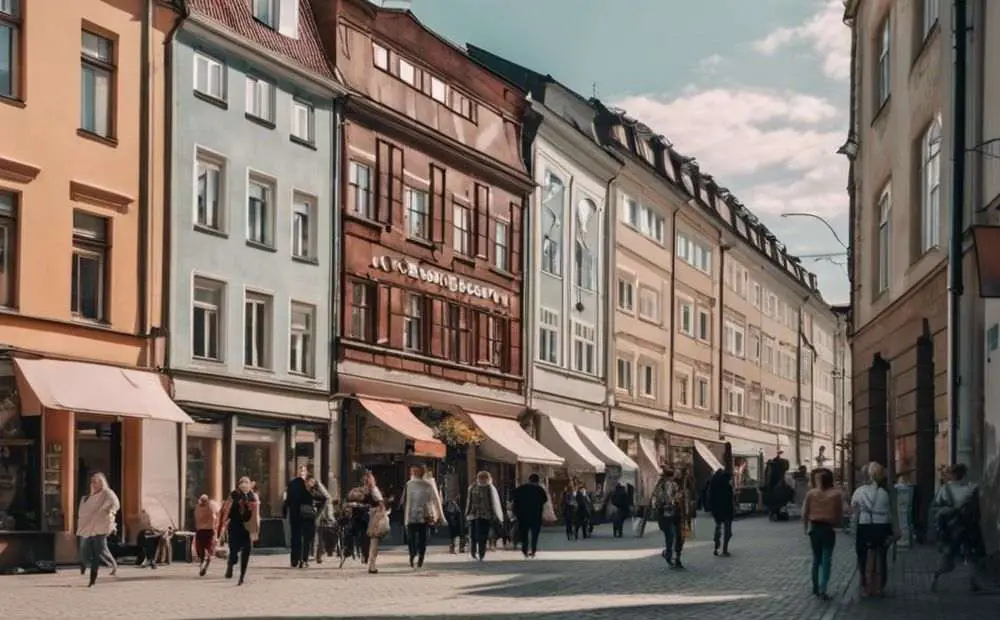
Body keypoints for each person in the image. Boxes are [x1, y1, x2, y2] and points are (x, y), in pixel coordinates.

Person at [931, 463, 984, 592]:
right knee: (972, 556)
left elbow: (935, 509)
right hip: (968, 527)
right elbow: (976, 511)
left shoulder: (945, 489)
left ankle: (937, 576)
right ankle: (973, 581)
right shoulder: (971, 488)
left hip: (951, 529)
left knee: (950, 560)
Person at [850, 461, 893, 597]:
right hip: (882, 525)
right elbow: (891, 511)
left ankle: (865, 585)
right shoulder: (885, 492)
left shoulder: (859, 492)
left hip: (865, 525)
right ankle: (880, 586)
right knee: (881, 556)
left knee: (863, 556)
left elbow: (854, 510)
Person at [803, 468, 843, 600]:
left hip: (814, 528)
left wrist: (805, 528)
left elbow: (805, 512)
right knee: (826, 559)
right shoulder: (836, 495)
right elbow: (839, 513)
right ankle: (823, 587)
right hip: (828, 529)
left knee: (816, 559)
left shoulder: (811, 494)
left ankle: (815, 586)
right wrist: (838, 524)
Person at [76, 472, 120, 587]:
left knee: (98, 553)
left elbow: (115, 504)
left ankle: (92, 579)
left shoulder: (108, 493)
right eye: (92, 482)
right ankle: (84, 565)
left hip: (101, 528)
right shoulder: (89, 497)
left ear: (101, 482)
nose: (93, 484)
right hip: (88, 528)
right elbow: (84, 512)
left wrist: (111, 512)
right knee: (84, 550)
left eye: (95, 481)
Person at [218, 476, 260, 586]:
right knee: (234, 551)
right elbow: (226, 509)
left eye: (246, 483)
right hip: (235, 526)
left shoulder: (253, 496)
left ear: (250, 485)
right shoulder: (234, 495)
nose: (244, 485)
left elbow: (256, 515)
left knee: (247, 551)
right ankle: (230, 565)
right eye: (242, 483)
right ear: (239, 485)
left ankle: (242, 576)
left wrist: (255, 530)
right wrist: (223, 523)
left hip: (247, 528)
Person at [402, 465, 444, 568]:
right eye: (413, 471)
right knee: (411, 538)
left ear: (421, 473)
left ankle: (420, 557)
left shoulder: (427, 485)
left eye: (416, 471)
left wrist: (439, 515)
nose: (414, 473)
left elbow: (435, 500)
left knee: (422, 538)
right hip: (411, 515)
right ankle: (412, 555)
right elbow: (405, 500)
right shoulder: (409, 484)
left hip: (424, 515)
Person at [465, 471, 504, 561]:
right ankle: (473, 552)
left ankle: (481, 553)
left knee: (482, 535)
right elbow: (469, 501)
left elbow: (494, 503)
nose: (482, 480)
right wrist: (467, 513)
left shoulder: (490, 488)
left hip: (485, 516)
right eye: (480, 478)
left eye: (484, 478)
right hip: (473, 515)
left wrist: (496, 515)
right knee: (473, 535)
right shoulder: (472, 487)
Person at [652, 468, 684, 569]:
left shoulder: (675, 485)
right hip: (665, 515)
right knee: (671, 536)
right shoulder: (660, 486)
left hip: (675, 514)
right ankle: (669, 555)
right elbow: (657, 500)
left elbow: (679, 497)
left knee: (677, 536)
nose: (671, 479)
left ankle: (673, 556)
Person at [513, 474, 549, 558]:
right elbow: (545, 500)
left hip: (523, 515)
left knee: (524, 533)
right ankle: (533, 550)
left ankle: (524, 550)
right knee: (535, 534)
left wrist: (516, 511)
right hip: (536, 515)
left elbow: (514, 498)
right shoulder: (540, 490)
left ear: (529, 480)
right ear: (537, 481)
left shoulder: (521, 488)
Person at [283, 465, 312, 568]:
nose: (301, 472)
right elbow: (288, 499)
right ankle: (301, 559)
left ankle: (296, 559)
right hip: (303, 514)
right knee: (302, 537)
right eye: (300, 470)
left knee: (297, 537)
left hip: (298, 513)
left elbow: (288, 500)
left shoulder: (295, 484)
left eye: (303, 470)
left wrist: (285, 510)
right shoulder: (306, 484)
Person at [707, 468, 735, 556]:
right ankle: (724, 550)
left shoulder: (714, 487)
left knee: (718, 528)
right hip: (727, 511)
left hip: (718, 511)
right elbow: (731, 501)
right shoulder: (728, 487)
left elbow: (711, 499)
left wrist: (712, 509)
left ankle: (716, 545)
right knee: (728, 532)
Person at [300, 475, 326, 568]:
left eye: (313, 482)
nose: (311, 484)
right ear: (306, 482)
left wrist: (317, 510)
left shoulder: (314, 493)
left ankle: (305, 559)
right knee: (302, 539)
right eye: (310, 481)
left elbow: (324, 498)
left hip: (311, 517)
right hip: (301, 517)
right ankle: (303, 559)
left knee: (308, 538)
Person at [193, 494, 220, 577]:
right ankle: (205, 566)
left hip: (200, 531)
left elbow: (196, 518)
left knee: (201, 551)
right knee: (209, 550)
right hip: (209, 531)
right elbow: (216, 517)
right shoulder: (211, 507)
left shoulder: (197, 508)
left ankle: (202, 566)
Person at [311, 478, 335, 564]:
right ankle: (317, 554)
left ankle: (318, 554)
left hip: (321, 515)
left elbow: (327, 498)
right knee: (319, 535)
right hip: (319, 515)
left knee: (320, 535)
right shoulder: (313, 491)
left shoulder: (321, 495)